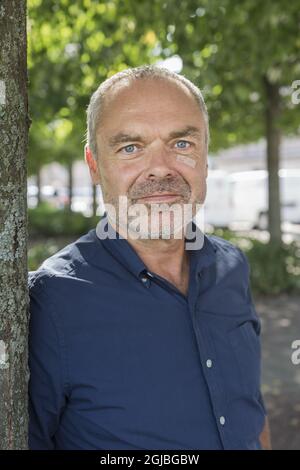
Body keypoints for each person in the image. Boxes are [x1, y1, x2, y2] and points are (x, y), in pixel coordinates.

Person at [28, 65, 271, 450]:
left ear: (205, 157)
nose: (160, 168)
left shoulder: (232, 267)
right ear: (94, 166)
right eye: (130, 148)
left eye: (181, 144)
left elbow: (249, 410)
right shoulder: (51, 300)